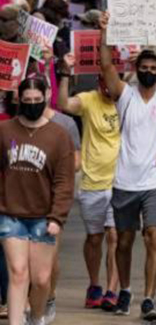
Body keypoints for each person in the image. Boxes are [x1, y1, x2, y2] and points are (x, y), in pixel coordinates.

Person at [98, 13, 156, 320]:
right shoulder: (125, 95)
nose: (148, 71)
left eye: (153, 68)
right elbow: (106, 67)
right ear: (136, 69)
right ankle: (126, 290)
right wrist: (105, 33)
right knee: (124, 241)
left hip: (155, 182)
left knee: (154, 237)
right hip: (124, 182)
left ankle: (148, 298)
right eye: (143, 68)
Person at [0, 77, 75, 325]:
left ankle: (37, 316)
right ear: (19, 100)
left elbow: (64, 181)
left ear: (45, 98)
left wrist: (58, 216)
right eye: (27, 100)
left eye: (37, 100)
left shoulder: (59, 135)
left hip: (44, 216)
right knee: (18, 273)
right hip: (11, 214)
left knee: (42, 279)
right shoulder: (5, 131)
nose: (32, 104)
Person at [56, 57, 120, 311]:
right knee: (94, 238)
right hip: (93, 181)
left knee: (115, 236)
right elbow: (63, 104)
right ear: (99, 81)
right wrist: (65, 73)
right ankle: (94, 284)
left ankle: (112, 289)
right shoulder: (90, 99)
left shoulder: (128, 100)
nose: (109, 86)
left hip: (120, 182)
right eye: (104, 81)